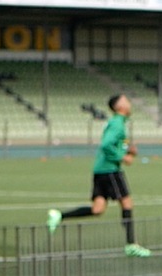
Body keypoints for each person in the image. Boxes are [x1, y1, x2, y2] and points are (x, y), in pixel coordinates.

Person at [47, 94, 151, 257]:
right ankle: (131, 244)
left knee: (97, 209)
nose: (129, 103)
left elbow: (113, 144)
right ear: (119, 106)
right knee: (127, 203)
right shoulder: (117, 123)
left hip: (101, 170)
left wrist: (127, 151)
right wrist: (123, 157)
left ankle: (59, 216)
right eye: (126, 101)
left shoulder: (117, 123)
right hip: (110, 170)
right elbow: (106, 145)